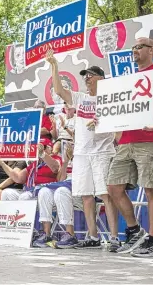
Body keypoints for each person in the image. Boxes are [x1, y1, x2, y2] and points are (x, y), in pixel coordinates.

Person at [107, 37, 153, 257]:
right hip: (126, 141)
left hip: (151, 139)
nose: (134, 50)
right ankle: (135, 231)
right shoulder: (128, 79)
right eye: (133, 48)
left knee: (151, 188)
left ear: (152, 50)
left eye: (139, 47)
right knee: (113, 187)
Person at [46, 50, 121, 251]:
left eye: (91, 75)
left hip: (103, 152)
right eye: (85, 76)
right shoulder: (80, 98)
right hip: (81, 153)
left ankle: (114, 237)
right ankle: (93, 236)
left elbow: (119, 125)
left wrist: (102, 121)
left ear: (101, 79)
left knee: (106, 195)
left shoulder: (111, 99)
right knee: (86, 195)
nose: (87, 78)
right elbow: (60, 90)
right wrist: (54, 65)